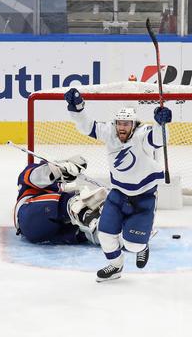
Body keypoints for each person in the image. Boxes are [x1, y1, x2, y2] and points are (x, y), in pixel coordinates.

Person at [64, 88, 172, 282]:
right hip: (118, 193)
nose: (122, 128)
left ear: (134, 124)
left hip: (144, 198)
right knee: (105, 233)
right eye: (119, 123)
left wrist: (160, 123)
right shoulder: (110, 132)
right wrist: (77, 108)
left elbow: (157, 139)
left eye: (126, 124)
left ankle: (143, 246)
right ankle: (115, 267)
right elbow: (86, 126)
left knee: (133, 245)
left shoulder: (142, 135)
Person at [14, 156, 106, 245]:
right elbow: (38, 176)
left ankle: (99, 232)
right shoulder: (31, 170)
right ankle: (87, 215)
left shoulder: (58, 188)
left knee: (77, 230)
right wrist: (58, 170)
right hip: (28, 218)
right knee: (69, 200)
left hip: (46, 231)